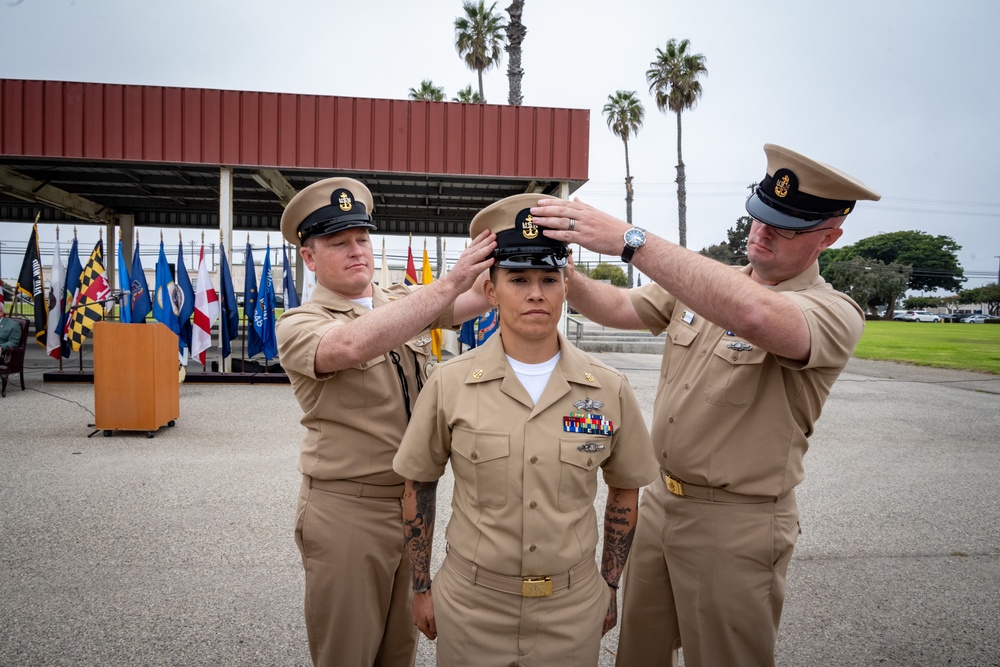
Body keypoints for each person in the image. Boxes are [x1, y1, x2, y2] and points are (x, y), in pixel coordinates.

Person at [529, 144, 881, 667]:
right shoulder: (709, 283)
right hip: (663, 505)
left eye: (783, 226)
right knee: (639, 654)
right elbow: (619, 306)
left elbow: (758, 318)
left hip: (736, 523)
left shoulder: (833, 311)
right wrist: (562, 271)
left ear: (828, 236)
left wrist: (631, 240)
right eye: (759, 217)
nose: (760, 232)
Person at [392, 193, 658, 666]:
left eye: (548, 278)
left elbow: (624, 491)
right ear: (490, 290)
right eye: (518, 278)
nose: (536, 292)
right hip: (473, 606)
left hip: (571, 610)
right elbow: (419, 485)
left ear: (565, 286)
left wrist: (609, 587)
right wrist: (421, 587)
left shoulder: (609, 389)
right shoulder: (449, 382)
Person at [274, 176, 496, 667]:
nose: (357, 251)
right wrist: (448, 283)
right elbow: (352, 345)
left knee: (399, 651)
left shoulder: (398, 300)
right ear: (310, 258)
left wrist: (513, 251)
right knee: (348, 653)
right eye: (338, 243)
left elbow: (472, 298)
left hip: (411, 508)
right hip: (346, 510)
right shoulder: (298, 323)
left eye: (362, 239)